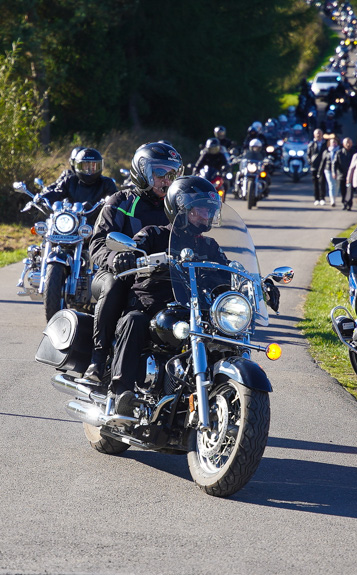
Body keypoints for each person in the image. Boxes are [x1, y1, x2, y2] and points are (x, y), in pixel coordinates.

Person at [107, 176, 280, 414]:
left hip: (196, 310)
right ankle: (120, 392)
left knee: (225, 334)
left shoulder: (209, 246)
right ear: (180, 208)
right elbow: (134, 250)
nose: (205, 216)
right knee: (133, 321)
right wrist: (127, 257)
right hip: (153, 306)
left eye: (209, 210)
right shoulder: (154, 234)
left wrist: (260, 284)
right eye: (199, 209)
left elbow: (230, 271)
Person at [81, 141, 184, 384]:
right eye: (160, 173)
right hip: (116, 271)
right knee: (117, 284)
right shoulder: (120, 202)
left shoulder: (178, 206)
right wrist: (116, 259)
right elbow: (96, 243)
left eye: (173, 174)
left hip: (160, 276)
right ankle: (98, 358)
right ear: (141, 171)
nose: (166, 180)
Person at [39, 148, 118, 218]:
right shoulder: (69, 181)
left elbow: (116, 200)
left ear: (100, 166)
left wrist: (103, 206)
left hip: (98, 222)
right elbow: (57, 193)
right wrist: (42, 198)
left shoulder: (107, 183)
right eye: (85, 166)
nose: (89, 170)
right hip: (71, 220)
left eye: (93, 166)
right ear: (77, 166)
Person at [319, 135, 340, 207]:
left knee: (337, 185)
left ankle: (335, 197)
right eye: (332, 142)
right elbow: (322, 162)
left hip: (338, 170)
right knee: (331, 185)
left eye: (334, 142)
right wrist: (320, 172)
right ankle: (332, 200)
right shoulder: (326, 151)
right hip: (328, 169)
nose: (333, 143)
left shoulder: (339, 151)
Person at [334, 138, 356, 210]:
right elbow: (334, 164)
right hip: (341, 175)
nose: (348, 144)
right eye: (346, 143)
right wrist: (334, 172)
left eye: (349, 142)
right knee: (343, 190)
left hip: (351, 175)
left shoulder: (354, 153)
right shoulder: (339, 153)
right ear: (343, 144)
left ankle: (349, 204)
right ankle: (344, 203)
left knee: (350, 190)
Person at [307, 128, 326, 206]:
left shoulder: (325, 143)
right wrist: (310, 162)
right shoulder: (311, 144)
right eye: (317, 133)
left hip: (323, 166)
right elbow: (308, 155)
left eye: (320, 133)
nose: (318, 134)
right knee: (315, 183)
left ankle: (322, 198)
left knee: (322, 182)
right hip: (314, 166)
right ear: (314, 135)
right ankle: (316, 198)